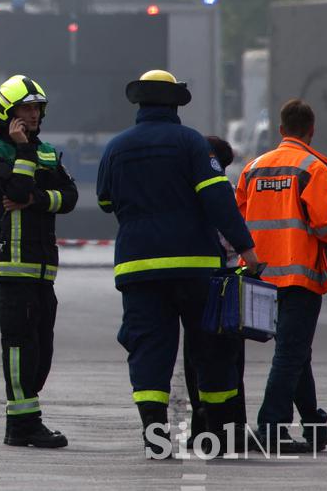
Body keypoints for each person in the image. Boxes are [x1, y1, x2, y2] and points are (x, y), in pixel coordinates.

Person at [96, 70, 257, 457]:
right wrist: (247, 249)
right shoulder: (193, 144)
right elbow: (219, 200)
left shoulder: (116, 148)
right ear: (174, 103)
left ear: (141, 103)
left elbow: (105, 201)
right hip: (195, 268)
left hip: (138, 268)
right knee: (211, 349)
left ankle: (155, 437)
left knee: (149, 351)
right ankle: (215, 438)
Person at [236, 98, 327, 452]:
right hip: (299, 279)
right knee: (291, 351)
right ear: (311, 131)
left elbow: (238, 218)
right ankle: (270, 427)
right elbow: (324, 222)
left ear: (281, 130)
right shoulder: (313, 168)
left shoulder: (253, 168)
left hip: (259, 277)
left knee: (296, 351)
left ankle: (314, 423)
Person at [0, 74, 78, 448]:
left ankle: (25, 417)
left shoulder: (47, 151)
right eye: (26, 108)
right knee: (20, 345)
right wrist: (24, 154)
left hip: (44, 267)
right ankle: (22, 424)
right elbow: (14, 189)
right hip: (14, 265)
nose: (34, 114)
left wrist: (35, 199)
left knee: (42, 347)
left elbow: (69, 197)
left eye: (37, 108)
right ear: (9, 112)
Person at [182, 135, 247, 445]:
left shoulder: (186, 191)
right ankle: (231, 425)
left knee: (195, 353)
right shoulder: (225, 192)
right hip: (228, 280)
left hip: (198, 279)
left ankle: (200, 423)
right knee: (228, 356)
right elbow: (234, 237)